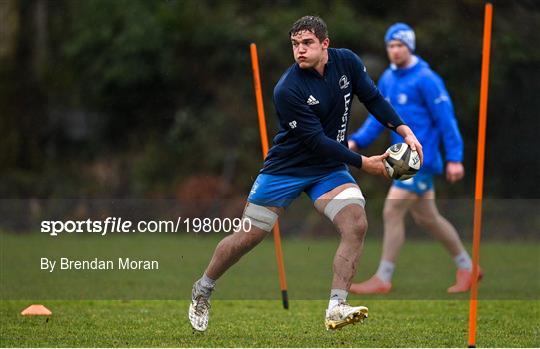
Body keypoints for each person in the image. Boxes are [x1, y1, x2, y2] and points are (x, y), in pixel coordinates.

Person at [188, 16, 423, 332]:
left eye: (307, 43)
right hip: (286, 169)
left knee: (356, 222)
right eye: (295, 44)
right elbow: (316, 141)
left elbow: (374, 99)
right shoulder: (288, 89)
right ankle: (203, 287)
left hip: (327, 170)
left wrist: (405, 130)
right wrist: (362, 162)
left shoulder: (347, 63)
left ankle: (336, 307)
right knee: (247, 238)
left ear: (325, 43)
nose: (300, 50)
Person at [348, 23, 481, 295]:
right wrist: (357, 141)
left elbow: (446, 121)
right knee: (427, 218)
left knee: (392, 210)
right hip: (401, 161)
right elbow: (381, 118)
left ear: (409, 47)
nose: (395, 51)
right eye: (391, 46)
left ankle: (383, 278)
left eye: (400, 45)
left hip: (421, 159)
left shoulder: (427, 79)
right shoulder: (388, 78)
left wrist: (455, 158)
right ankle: (468, 267)